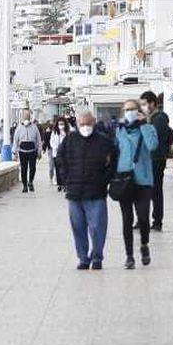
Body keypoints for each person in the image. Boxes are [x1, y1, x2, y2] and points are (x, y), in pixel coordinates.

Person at [56, 111, 115, 270]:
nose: (85, 127)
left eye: (88, 124)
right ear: (77, 124)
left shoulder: (103, 141)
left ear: (94, 123)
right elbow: (60, 158)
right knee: (78, 227)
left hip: (96, 192)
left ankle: (97, 256)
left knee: (97, 227)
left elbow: (113, 161)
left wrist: (105, 180)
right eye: (82, 124)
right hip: (74, 192)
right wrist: (65, 178)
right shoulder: (70, 139)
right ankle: (83, 258)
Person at [113, 99, 158, 269]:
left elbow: (153, 146)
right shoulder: (119, 131)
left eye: (133, 109)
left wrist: (144, 124)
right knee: (127, 220)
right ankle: (129, 256)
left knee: (144, 217)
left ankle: (144, 245)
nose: (129, 112)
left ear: (139, 111)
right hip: (124, 179)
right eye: (127, 110)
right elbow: (113, 151)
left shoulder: (147, 127)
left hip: (143, 180)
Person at [139, 91, 173, 233]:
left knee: (155, 191)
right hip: (146, 159)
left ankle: (157, 221)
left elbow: (155, 137)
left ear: (152, 103)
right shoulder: (149, 118)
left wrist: (163, 151)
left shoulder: (159, 118)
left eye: (145, 104)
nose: (143, 107)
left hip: (155, 159)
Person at [10, 108, 42, 193]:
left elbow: (38, 140)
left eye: (28, 115)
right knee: (23, 169)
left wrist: (39, 151)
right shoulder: (19, 128)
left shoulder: (34, 127)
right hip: (22, 151)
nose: (26, 117)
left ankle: (30, 182)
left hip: (32, 151)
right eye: (25, 115)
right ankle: (24, 185)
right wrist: (14, 152)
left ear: (30, 116)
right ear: (22, 116)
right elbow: (15, 140)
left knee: (32, 168)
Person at [48, 117, 70, 192]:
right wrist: (55, 147)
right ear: (57, 124)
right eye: (60, 124)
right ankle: (60, 184)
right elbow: (51, 142)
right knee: (57, 170)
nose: (61, 125)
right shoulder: (54, 132)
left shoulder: (67, 132)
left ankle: (65, 184)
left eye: (62, 124)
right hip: (56, 153)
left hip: (65, 154)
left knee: (65, 169)